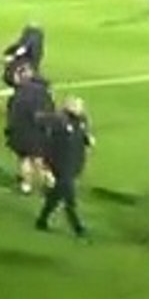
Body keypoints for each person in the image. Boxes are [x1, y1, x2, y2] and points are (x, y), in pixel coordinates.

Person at [36, 97, 93, 237]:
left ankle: (41, 220)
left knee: (56, 196)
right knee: (69, 197)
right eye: (77, 106)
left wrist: (88, 140)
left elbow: (83, 135)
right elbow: (48, 144)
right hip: (61, 164)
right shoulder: (59, 121)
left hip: (74, 163)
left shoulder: (82, 121)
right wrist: (46, 166)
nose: (80, 109)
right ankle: (77, 227)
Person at [6, 64, 54, 194]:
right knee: (39, 159)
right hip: (39, 132)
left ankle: (26, 185)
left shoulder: (18, 94)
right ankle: (50, 181)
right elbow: (50, 110)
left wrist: (10, 131)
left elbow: (13, 115)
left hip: (22, 132)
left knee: (25, 159)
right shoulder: (43, 91)